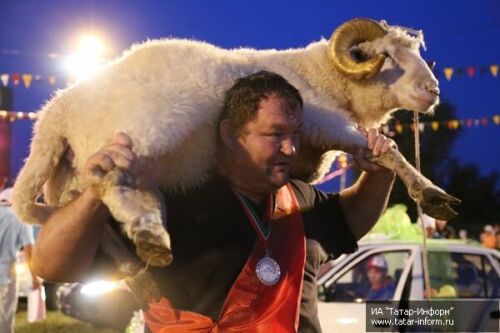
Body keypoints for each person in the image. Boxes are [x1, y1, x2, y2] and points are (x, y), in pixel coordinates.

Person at [31, 71, 397, 332]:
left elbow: (348, 222)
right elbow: (51, 265)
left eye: (296, 134)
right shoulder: (172, 198)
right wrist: (96, 194)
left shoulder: (297, 194)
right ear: (230, 134)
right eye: (275, 134)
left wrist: (380, 173)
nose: (291, 148)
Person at [0, 187, 41, 333]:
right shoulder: (20, 218)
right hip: (6, 275)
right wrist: (34, 278)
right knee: (5, 316)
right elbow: (28, 250)